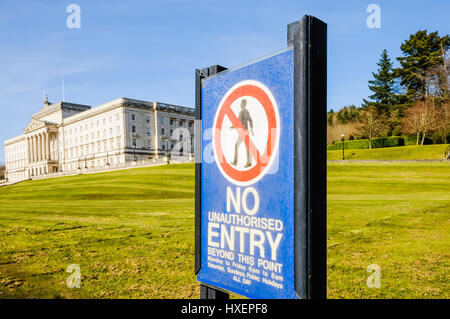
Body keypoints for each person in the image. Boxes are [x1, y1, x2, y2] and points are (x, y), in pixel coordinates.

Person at [230, 99, 254, 168]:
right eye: (241, 104)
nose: (241, 105)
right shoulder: (245, 111)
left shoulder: (242, 112)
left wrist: (232, 126)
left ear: (243, 104)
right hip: (243, 131)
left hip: (244, 131)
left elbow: (239, 121)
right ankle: (237, 162)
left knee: (244, 146)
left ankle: (247, 162)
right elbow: (250, 120)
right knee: (238, 145)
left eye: (242, 104)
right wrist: (251, 129)